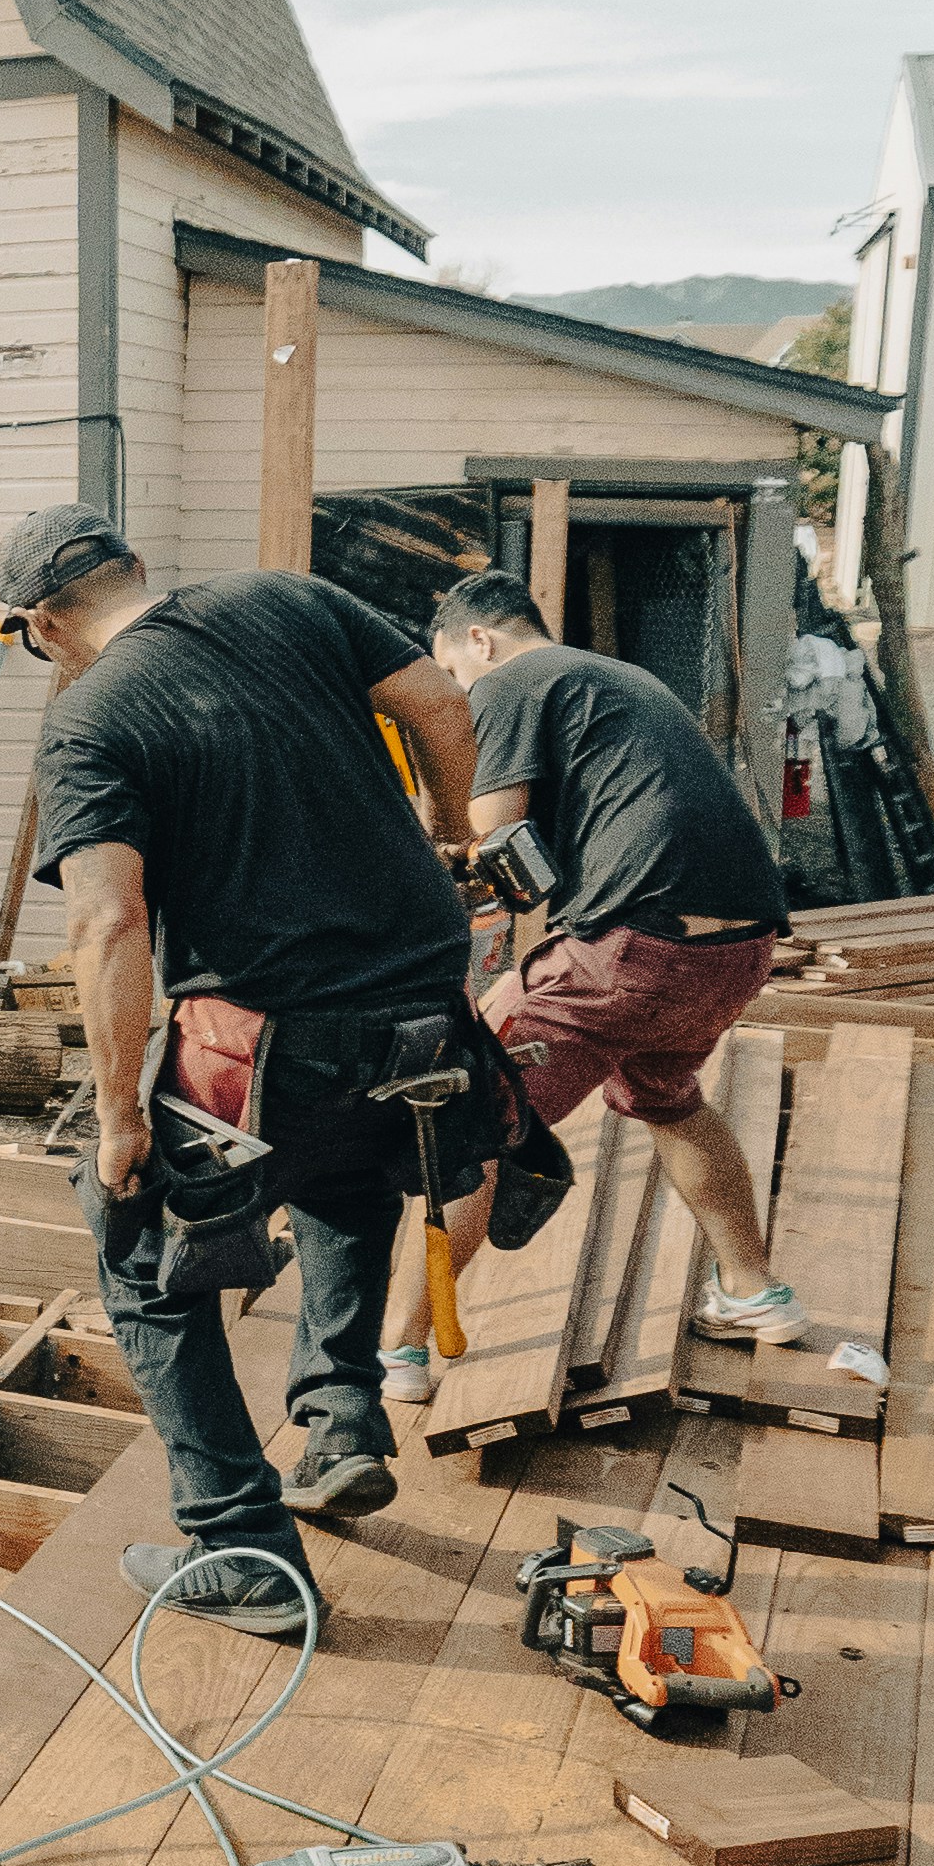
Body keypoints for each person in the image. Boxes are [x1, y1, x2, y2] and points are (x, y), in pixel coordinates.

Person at [4, 500, 514, 1634]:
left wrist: (121, 1116)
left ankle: (237, 1546)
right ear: (136, 566)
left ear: (43, 626)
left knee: (134, 1243)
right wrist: (446, 829)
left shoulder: (89, 716)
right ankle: (338, 1426)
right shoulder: (283, 595)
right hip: (422, 999)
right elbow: (435, 698)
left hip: (269, 1027)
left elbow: (106, 922)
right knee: (344, 1177)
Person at [386, 569, 796, 1388]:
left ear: (479, 640)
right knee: (671, 1100)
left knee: (473, 1134)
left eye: (455, 679)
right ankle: (755, 1293)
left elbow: (493, 826)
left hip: (638, 952)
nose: (462, 698)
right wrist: (536, 970)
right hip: (736, 949)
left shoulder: (513, 678)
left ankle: (396, 1349)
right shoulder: (613, 679)